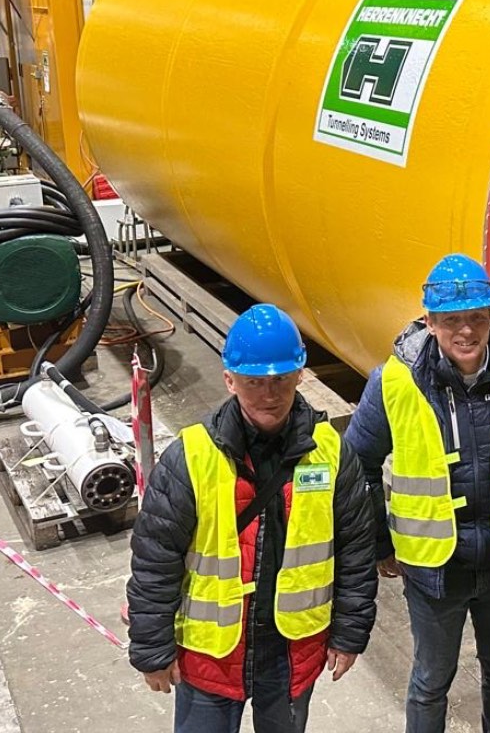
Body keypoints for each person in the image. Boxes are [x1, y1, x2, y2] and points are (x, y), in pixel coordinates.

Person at [345, 253, 490, 733]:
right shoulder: (396, 382)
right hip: (435, 572)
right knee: (431, 682)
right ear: (429, 322)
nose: (466, 331)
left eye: (477, 318)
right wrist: (381, 545)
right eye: (452, 321)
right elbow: (355, 466)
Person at [127, 304, 378, 733]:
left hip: (291, 650)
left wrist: (349, 634)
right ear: (230, 380)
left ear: (300, 374)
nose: (268, 394)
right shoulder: (191, 457)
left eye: (280, 379)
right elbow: (156, 559)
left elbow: (355, 551)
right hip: (212, 655)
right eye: (253, 382)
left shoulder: (332, 454)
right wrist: (153, 648)